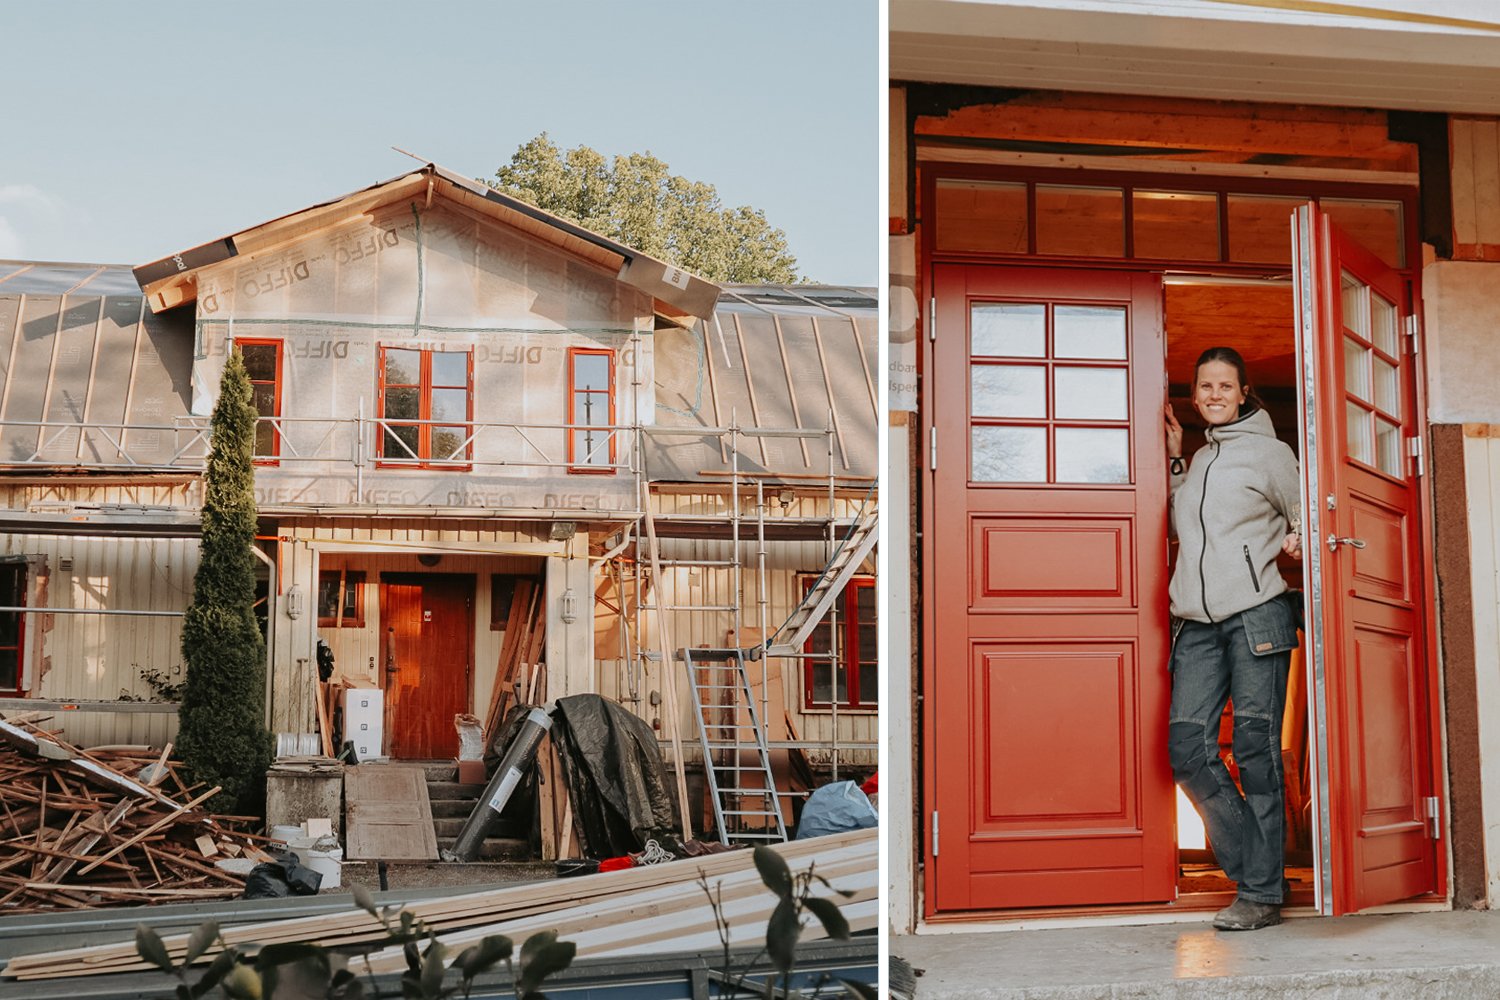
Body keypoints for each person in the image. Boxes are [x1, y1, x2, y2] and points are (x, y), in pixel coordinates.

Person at [1164, 346, 1302, 932]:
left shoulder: (1273, 455)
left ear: (1244, 391)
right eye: (1205, 387)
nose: (1215, 395)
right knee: (1186, 749)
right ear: (1194, 396)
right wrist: (1175, 461)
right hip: (1196, 623)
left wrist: (1300, 538)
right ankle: (1259, 874)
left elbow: (1311, 515)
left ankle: (1261, 893)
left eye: (1226, 385)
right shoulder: (1198, 461)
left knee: (1255, 752)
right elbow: (1182, 528)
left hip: (1256, 616)